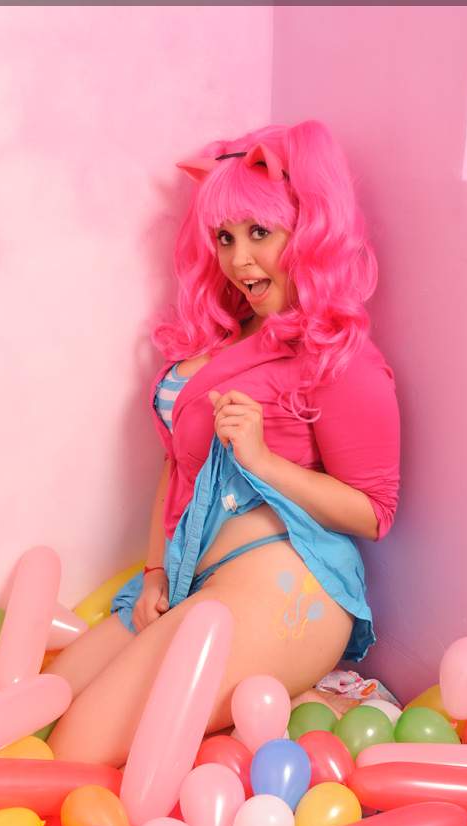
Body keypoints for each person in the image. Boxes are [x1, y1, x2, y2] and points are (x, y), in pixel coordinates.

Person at [45, 120, 400, 767]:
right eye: (225, 237)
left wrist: (261, 460)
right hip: (189, 575)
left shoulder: (340, 360)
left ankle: (298, 694)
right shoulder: (229, 338)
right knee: (48, 707)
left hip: (288, 585)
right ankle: (284, 703)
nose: (238, 261)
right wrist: (155, 573)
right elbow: (176, 463)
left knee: (77, 749)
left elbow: (374, 513)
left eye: (260, 233)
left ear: (307, 233)